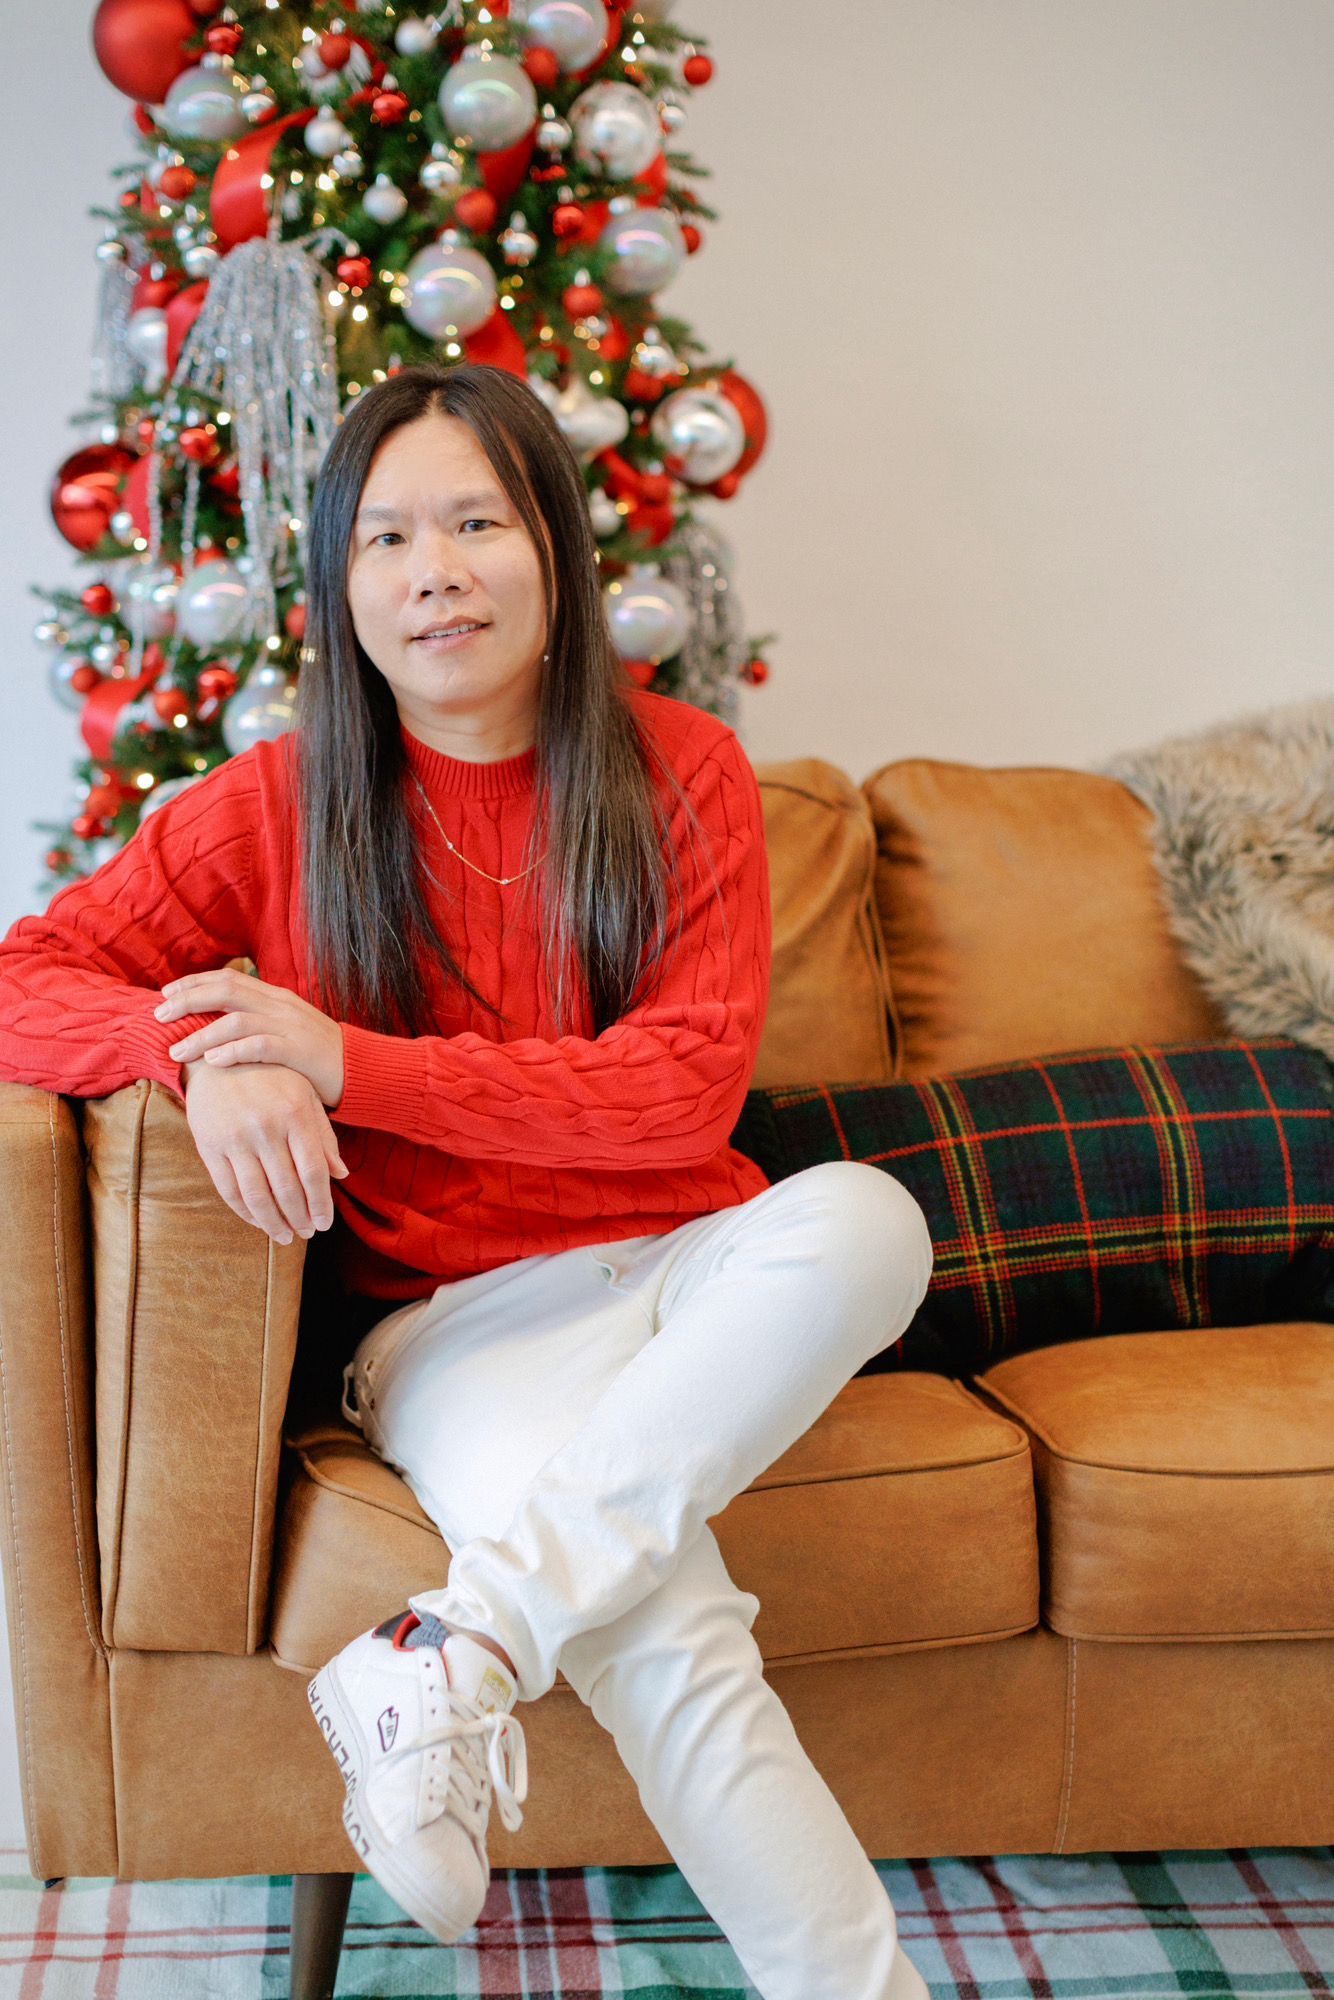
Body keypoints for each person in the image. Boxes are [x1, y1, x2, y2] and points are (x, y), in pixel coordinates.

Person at [0, 362, 934, 2000]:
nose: (433, 569)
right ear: (341, 590)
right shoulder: (271, 813)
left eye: (475, 522)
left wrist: (346, 1059)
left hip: (688, 1266)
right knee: (667, 1634)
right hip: (457, 1329)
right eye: (386, 537)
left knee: (869, 1220)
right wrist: (212, 1055)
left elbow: (676, 1092)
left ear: (555, 556)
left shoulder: (679, 771)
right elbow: (26, 976)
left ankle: (457, 1648)